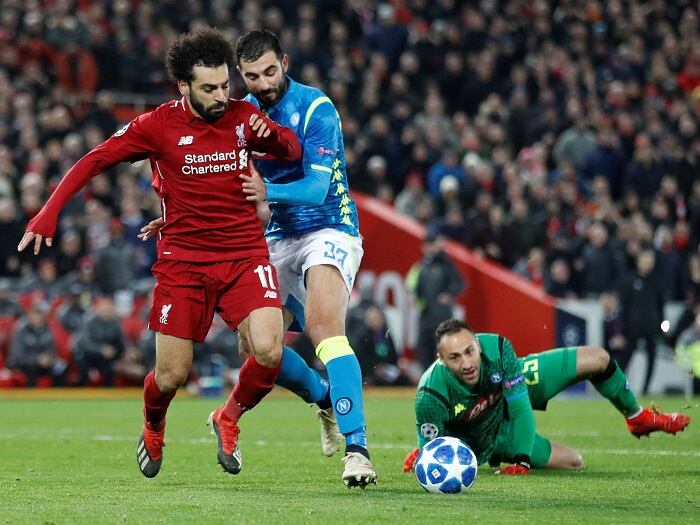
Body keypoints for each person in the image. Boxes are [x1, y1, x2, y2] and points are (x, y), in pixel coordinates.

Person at [17, 27, 302, 478]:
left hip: (244, 254)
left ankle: (228, 417)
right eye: (208, 88)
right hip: (184, 264)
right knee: (171, 376)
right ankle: (153, 423)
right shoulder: (156, 125)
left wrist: (277, 136)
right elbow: (95, 159)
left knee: (269, 350)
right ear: (183, 86)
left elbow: (292, 149)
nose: (220, 96)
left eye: (224, 84)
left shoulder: (243, 116)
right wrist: (48, 211)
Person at [141, 29, 377, 488]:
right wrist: (174, 217)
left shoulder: (316, 107)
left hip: (329, 226)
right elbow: (217, 180)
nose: (264, 83)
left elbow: (317, 188)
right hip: (276, 235)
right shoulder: (239, 113)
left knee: (324, 327)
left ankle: (358, 450)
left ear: (284, 62)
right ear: (241, 76)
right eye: (252, 76)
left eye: (270, 71)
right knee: (257, 348)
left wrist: (269, 190)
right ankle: (323, 398)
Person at [402, 319, 691, 474]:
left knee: (598, 358)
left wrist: (523, 460)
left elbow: (520, 407)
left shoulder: (499, 350)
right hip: (488, 440)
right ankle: (502, 452)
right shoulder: (430, 394)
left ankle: (637, 417)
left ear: (477, 344)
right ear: (441, 360)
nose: (466, 363)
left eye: (469, 351)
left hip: (510, 392)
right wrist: (426, 454)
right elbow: (432, 449)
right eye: (455, 357)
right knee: (575, 461)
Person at [406, 233, 465, 371]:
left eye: (432, 245)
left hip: (441, 315)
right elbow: (415, 287)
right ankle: (429, 376)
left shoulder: (446, 264)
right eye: (427, 245)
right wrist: (414, 296)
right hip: (426, 314)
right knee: (422, 348)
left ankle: (441, 377)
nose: (429, 248)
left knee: (441, 348)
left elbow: (460, 283)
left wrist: (449, 294)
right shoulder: (421, 266)